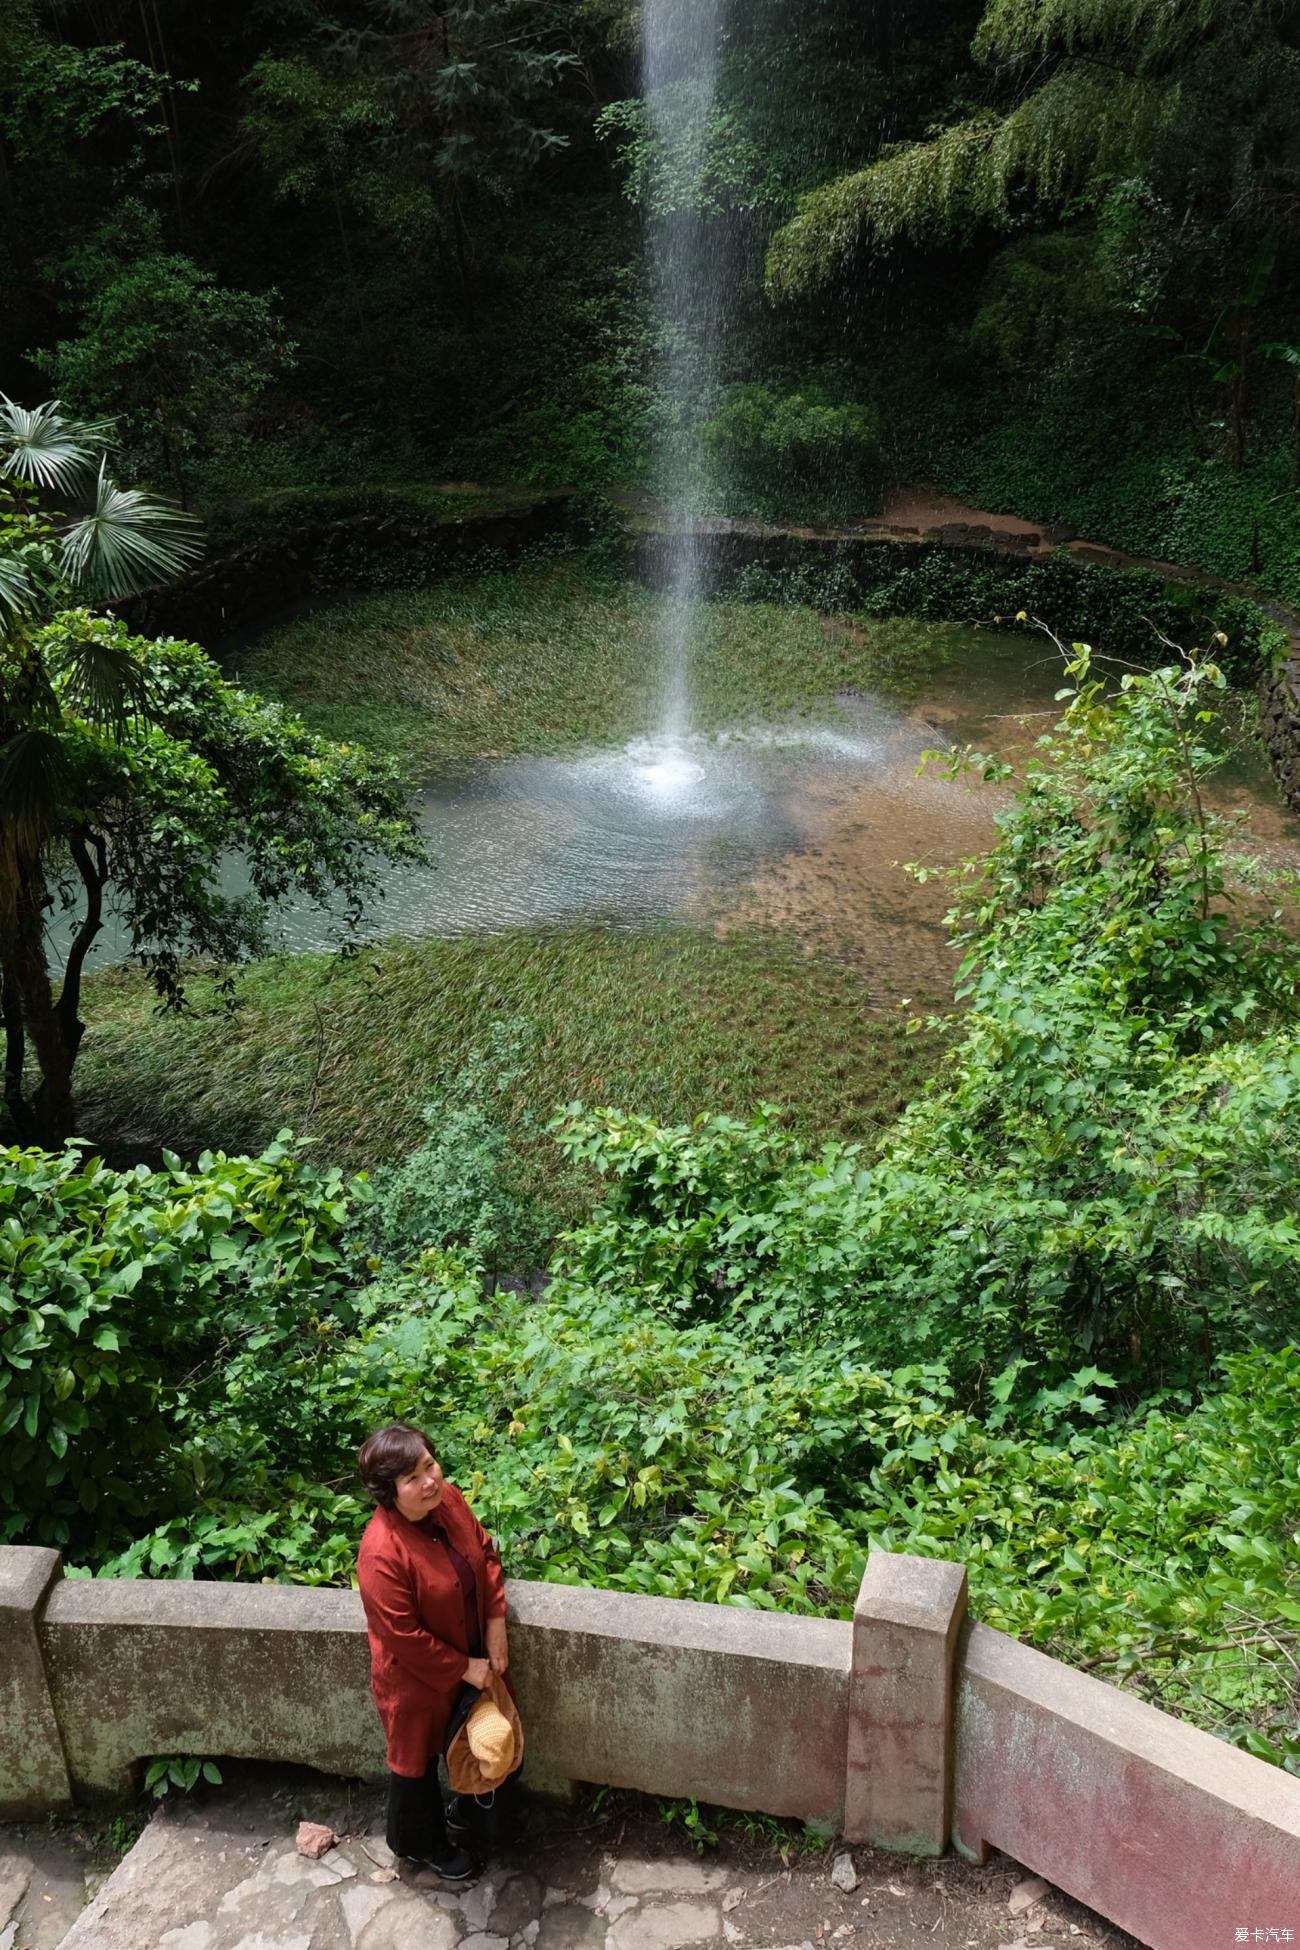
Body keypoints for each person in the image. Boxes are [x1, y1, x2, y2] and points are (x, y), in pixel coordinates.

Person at [356, 1422, 511, 1880]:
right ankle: (419, 1845)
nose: (429, 1482)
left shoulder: (450, 1501)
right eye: (412, 1479)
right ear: (390, 1493)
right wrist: (465, 1668)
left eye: (430, 1465)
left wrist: (496, 1621)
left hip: (472, 1650)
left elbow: (484, 1552)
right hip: (414, 1680)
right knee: (415, 1764)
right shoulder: (381, 1553)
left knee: (480, 1738)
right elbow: (402, 1636)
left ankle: (469, 1811)